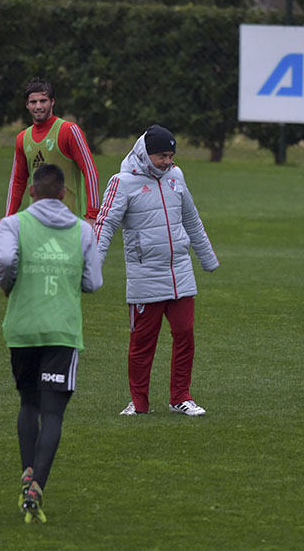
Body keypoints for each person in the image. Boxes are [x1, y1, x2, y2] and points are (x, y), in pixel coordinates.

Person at [0, 164, 102, 523]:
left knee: (28, 403)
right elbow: (93, 283)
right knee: (53, 413)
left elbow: (6, 261)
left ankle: (27, 470)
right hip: (62, 330)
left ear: (32, 193)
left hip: (22, 328)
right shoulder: (83, 231)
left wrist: (8, 283)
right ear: (63, 195)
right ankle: (38, 484)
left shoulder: (13, 225)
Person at [95, 125, 219, 417]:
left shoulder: (177, 176)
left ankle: (181, 397)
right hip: (144, 277)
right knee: (142, 343)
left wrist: (207, 258)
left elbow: (191, 219)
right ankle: (138, 403)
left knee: (185, 334)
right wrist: (92, 266)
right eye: (161, 156)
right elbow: (105, 224)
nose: (167, 162)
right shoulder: (122, 182)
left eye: (170, 156)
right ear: (145, 153)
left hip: (180, 274)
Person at [5, 77, 100, 224]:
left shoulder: (68, 131)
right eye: (33, 102)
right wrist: (8, 219)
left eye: (43, 101)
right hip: (38, 223)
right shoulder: (22, 139)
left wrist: (92, 215)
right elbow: (17, 182)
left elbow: (90, 171)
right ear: (27, 105)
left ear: (52, 102)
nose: (38, 106)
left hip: (70, 221)